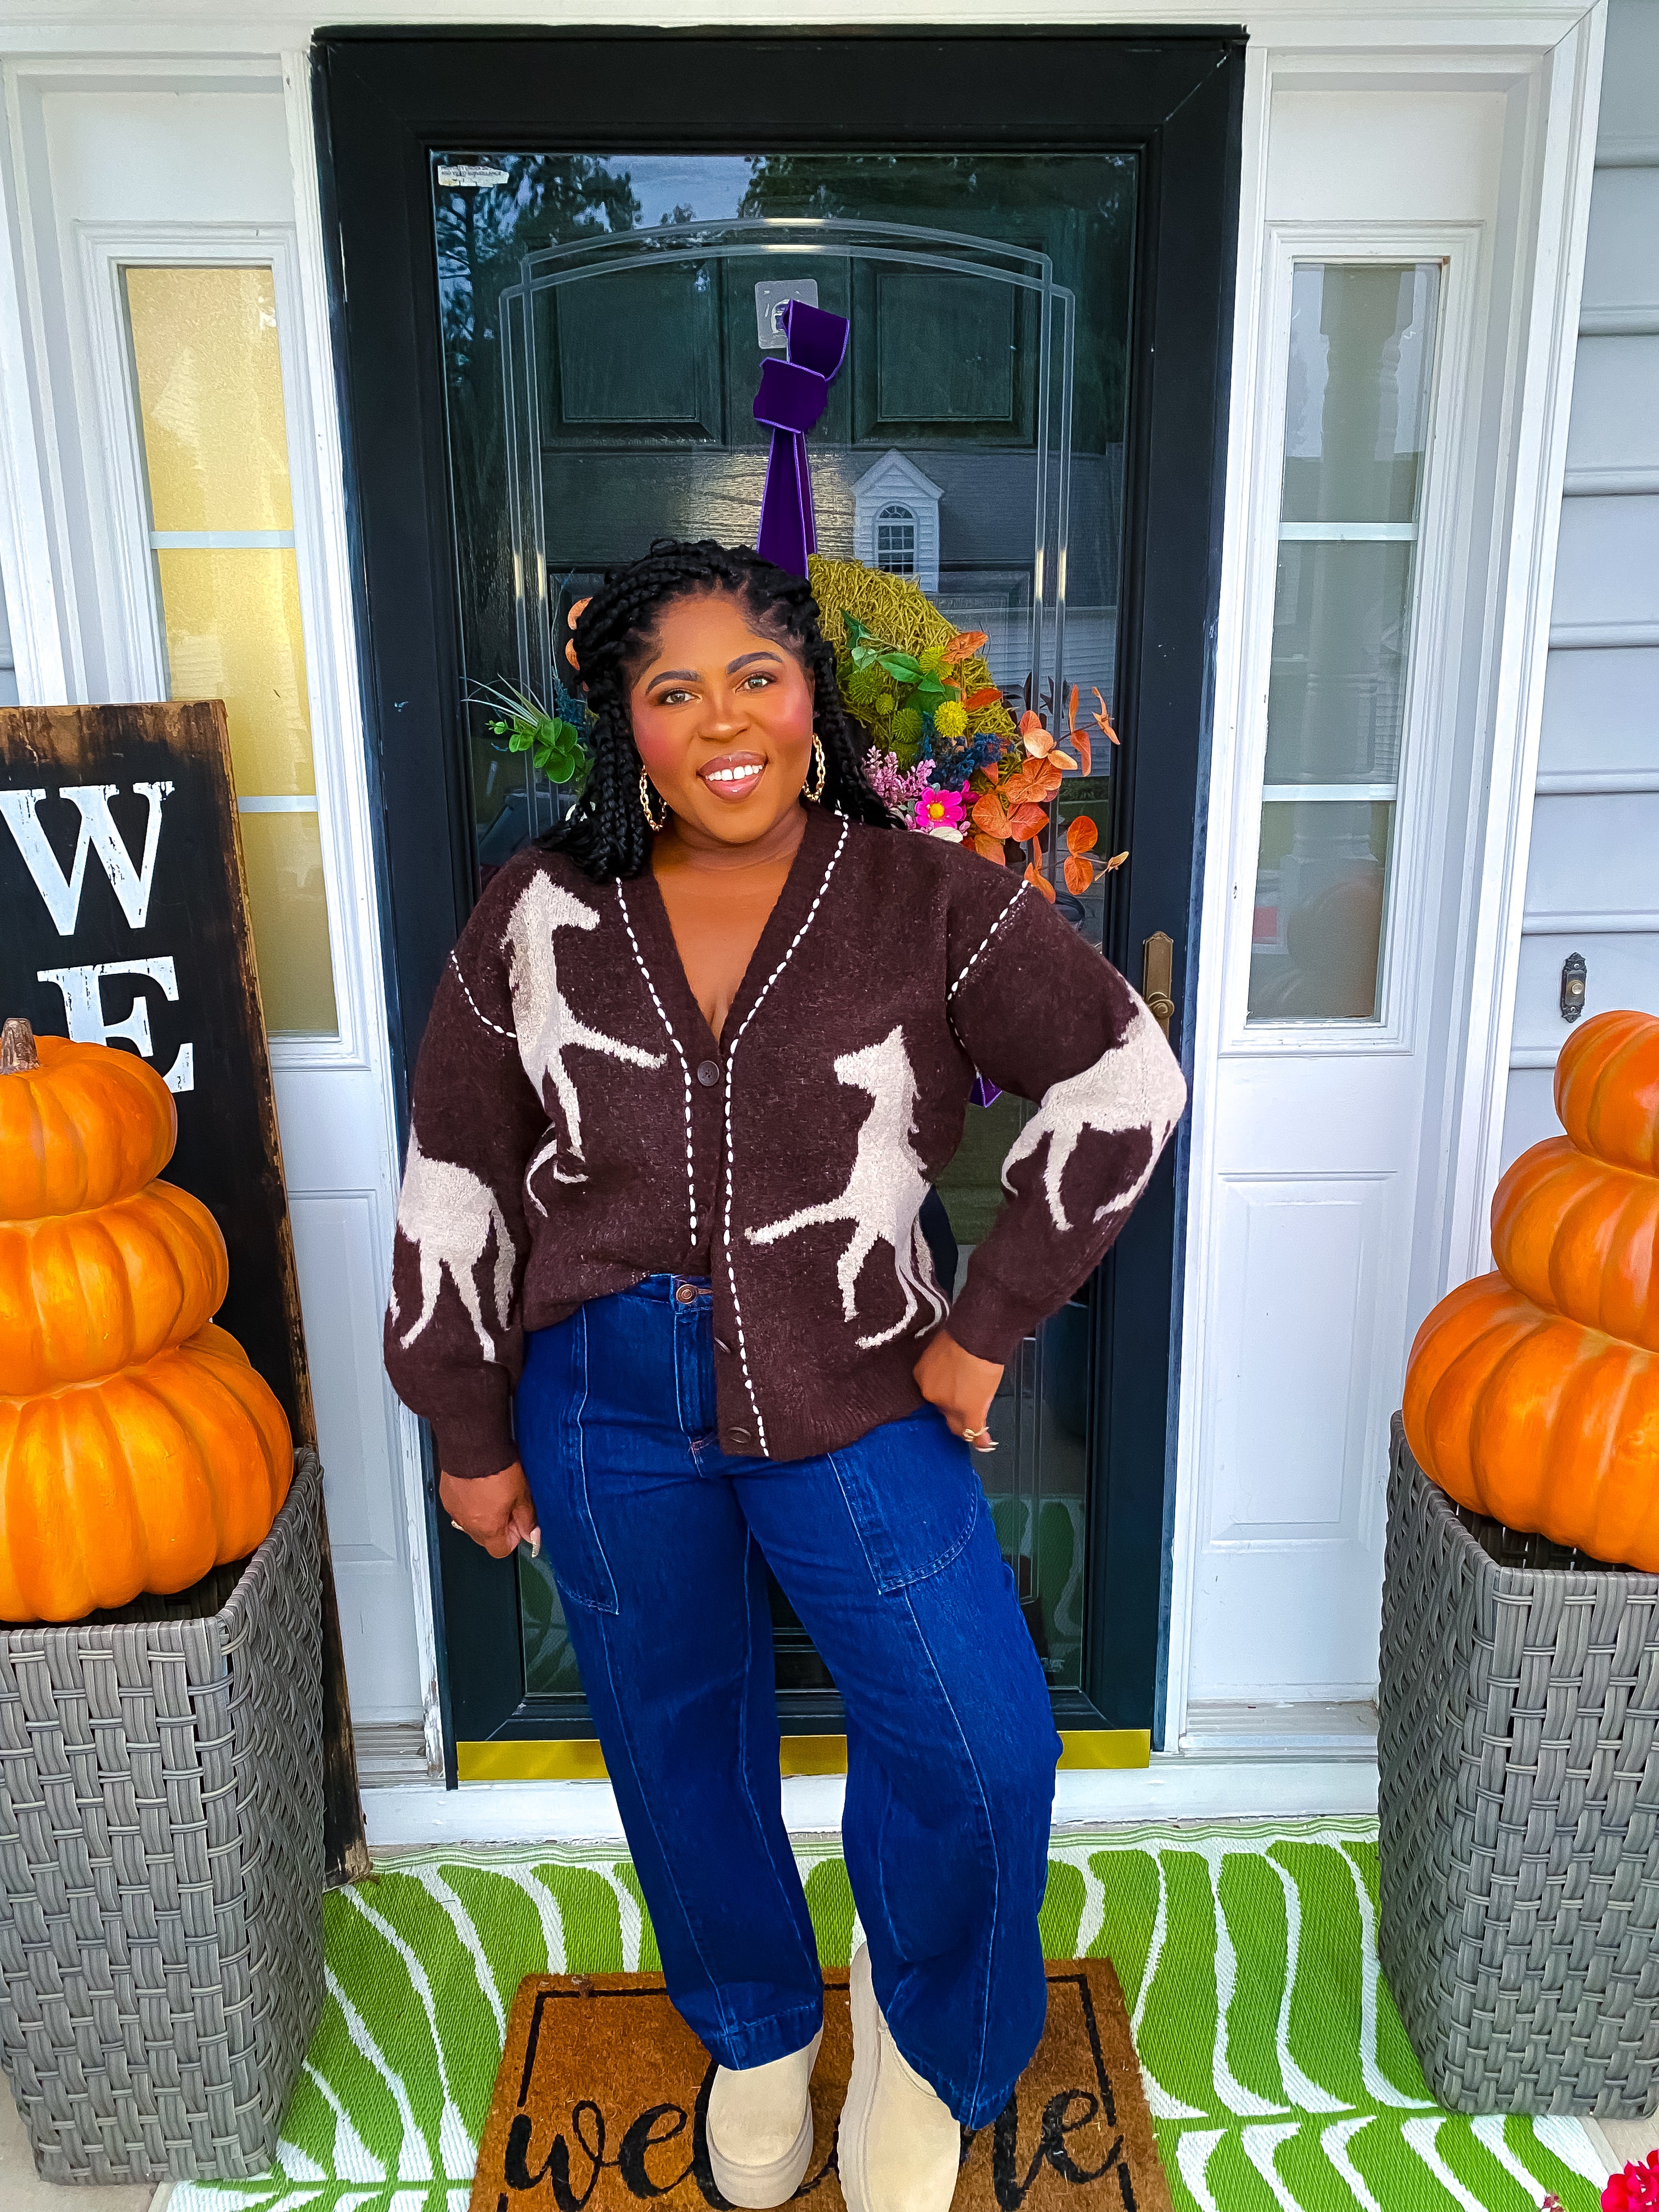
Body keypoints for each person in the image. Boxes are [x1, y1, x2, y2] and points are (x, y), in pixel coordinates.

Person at [383, 539, 1186, 2212]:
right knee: (675, 1737)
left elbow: (1127, 1074)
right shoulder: (539, 908)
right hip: (601, 1401)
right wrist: (466, 1422)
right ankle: (754, 2026)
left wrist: (987, 1324)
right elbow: (458, 1163)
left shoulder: (929, 901)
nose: (722, 721)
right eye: (672, 690)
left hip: (859, 1382)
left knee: (979, 1740)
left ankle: (925, 2033)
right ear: (625, 723)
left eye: (756, 676)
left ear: (813, 696)